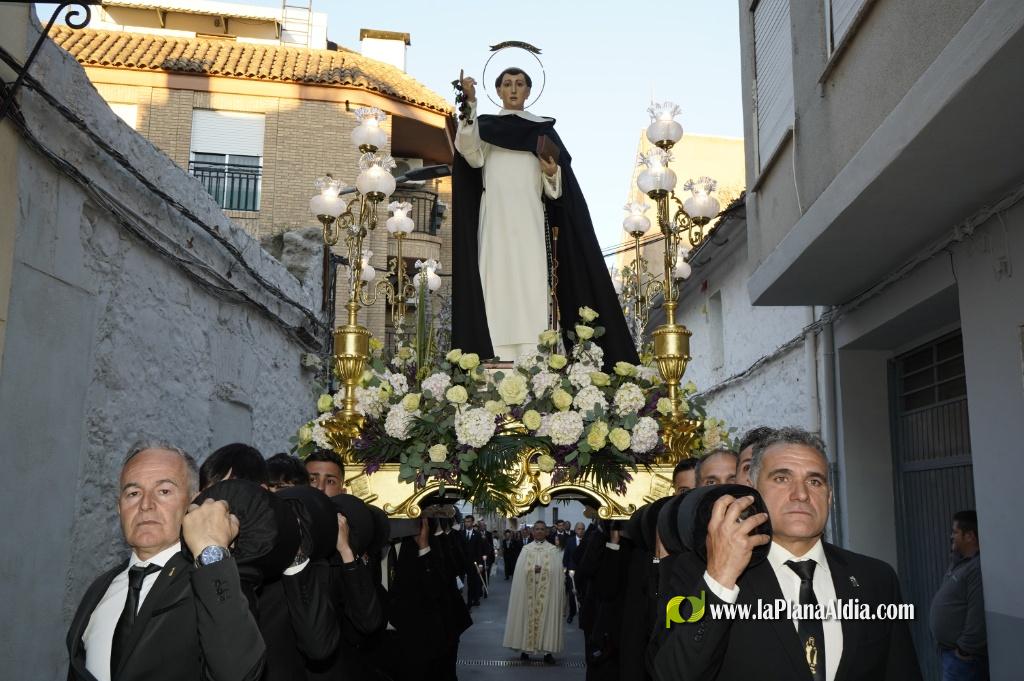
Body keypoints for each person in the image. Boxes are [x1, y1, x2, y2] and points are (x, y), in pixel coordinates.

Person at [653, 427, 921, 681]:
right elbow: (672, 674)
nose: (801, 494)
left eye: (814, 481)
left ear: (829, 498)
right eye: (782, 478)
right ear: (753, 491)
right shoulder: (699, 572)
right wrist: (720, 579)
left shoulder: (876, 579)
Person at [453, 67, 638, 367]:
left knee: (530, 280)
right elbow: (469, 152)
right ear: (498, 90)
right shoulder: (485, 127)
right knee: (495, 278)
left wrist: (552, 174)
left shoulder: (542, 131)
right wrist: (469, 104)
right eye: (508, 84)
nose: (514, 89)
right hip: (495, 219)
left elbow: (555, 193)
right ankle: (496, 348)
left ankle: (533, 351)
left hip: (529, 218)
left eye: (520, 84)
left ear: (528, 92)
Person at [66, 442, 266, 681]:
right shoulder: (99, 590)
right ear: (119, 508)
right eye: (133, 493)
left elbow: (238, 672)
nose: (146, 505)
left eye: (164, 491)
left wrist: (211, 552)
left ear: (194, 501)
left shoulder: (215, 577)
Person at [930, 510, 988, 680]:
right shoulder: (960, 563)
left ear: (970, 536)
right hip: (951, 655)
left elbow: (977, 614)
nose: (951, 536)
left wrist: (964, 651)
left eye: (955, 532)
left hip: (963, 661)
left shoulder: (976, 568)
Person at [504, 521, 566, 664]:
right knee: (526, 617)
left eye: (542, 529)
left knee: (548, 618)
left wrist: (544, 571)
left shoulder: (553, 550)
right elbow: (519, 572)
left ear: (546, 532)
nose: (539, 532)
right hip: (528, 592)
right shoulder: (526, 549)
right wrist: (532, 570)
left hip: (547, 592)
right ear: (532, 532)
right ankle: (525, 650)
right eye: (536, 529)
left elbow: (558, 573)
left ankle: (547, 652)